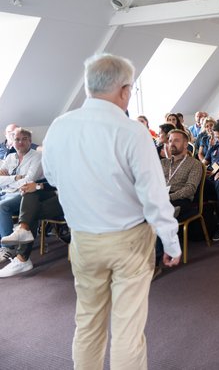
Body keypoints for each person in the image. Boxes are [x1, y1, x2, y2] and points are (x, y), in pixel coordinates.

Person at [42, 53, 181, 369]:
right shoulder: (131, 132)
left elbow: (50, 176)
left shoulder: (60, 126)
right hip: (128, 241)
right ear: (124, 90)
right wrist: (171, 243)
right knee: (127, 329)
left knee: (88, 323)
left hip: (82, 239)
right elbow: (155, 197)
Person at [0, 178, 65, 277]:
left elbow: (68, 182)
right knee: (30, 192)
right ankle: (23, 229)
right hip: (56, 192)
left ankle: (23, 258)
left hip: (72, 197)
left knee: (30, 211)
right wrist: (32, 185)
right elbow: (52, 179)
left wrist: (38, 186)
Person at [0, 128, 43, 253]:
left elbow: (29, 180)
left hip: (25, 194)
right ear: (12, 142)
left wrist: (7, 181)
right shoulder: (9, 157)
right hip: (7, 192)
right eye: (17, 139)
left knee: (2, 206)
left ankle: (8, 248)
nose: (20, 142)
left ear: (30, 141)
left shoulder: (37, 157)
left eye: (24, 139)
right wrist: (15, 177)